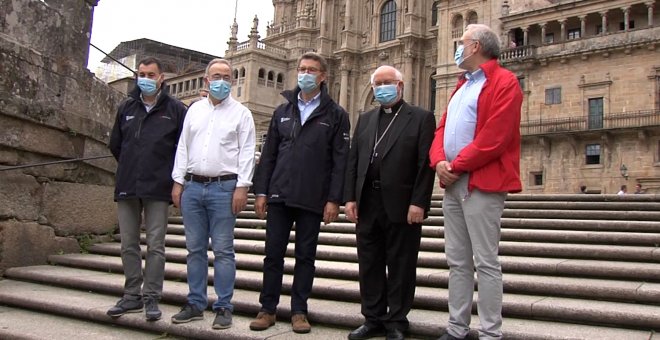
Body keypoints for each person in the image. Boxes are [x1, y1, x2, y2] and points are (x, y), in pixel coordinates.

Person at [430, 24, 523, 340]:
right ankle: (456, 328)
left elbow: (495, 137)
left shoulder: (505, 82)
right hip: (454, 183)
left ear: (476, 47)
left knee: (485, 262)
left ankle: (490, 333)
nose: (456, 46)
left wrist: (455, 164)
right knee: (457, 262)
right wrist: (438, 161)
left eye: (461, 41)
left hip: (482, 182)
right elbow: (441, 130)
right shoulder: (460, 86)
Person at [249, 52, 350, 334]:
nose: (304, 74)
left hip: (313, 197)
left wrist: (334, 199)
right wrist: (261, 192)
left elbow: (340, 160)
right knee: (273, 255)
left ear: (323, 76)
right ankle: (267, 309)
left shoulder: (336, 115)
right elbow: (268, 155)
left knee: (306, 257)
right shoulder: (282, 112)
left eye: (311, 70)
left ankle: (299, 311)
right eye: (301, 69)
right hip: (280, 194)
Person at [344, 65, 435, 340]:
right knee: (369, 263)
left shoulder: (420, 118)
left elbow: (424, 165)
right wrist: (349, 197)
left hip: (403, 204)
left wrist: (419, 202)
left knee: (401, 263)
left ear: (401, 85)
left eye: (388, 82)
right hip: (368, 201)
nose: (382, 87)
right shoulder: (366, 119)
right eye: (378, 83)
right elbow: (354, 161)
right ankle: (372, 318)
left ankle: (396, 320)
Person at [170, 58, 256, 329]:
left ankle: (223, 306)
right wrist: (177, 181)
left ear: (233, 81)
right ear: (207, 80)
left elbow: (247, 152)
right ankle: (195, 302)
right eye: (216, 76)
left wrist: (243, 186)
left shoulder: (242, 113)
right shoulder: (194, 110)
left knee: (223, 250)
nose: (221, 81)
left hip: (224, 188)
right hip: (193, 186)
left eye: (227, 77)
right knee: (194, 249)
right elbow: (183, 146)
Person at [107, 57, 187, 321]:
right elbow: (116, 145)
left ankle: (151, 296)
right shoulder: (126, 107)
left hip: (158, 187)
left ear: (161, 78)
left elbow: (183, 149)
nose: (146, 79)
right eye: (142, 74)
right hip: (129, 183)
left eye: (151, 75)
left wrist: (174, 179)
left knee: (156, 245)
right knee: (128, 243)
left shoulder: (176, 110)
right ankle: (131, 295)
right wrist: (133, 165)